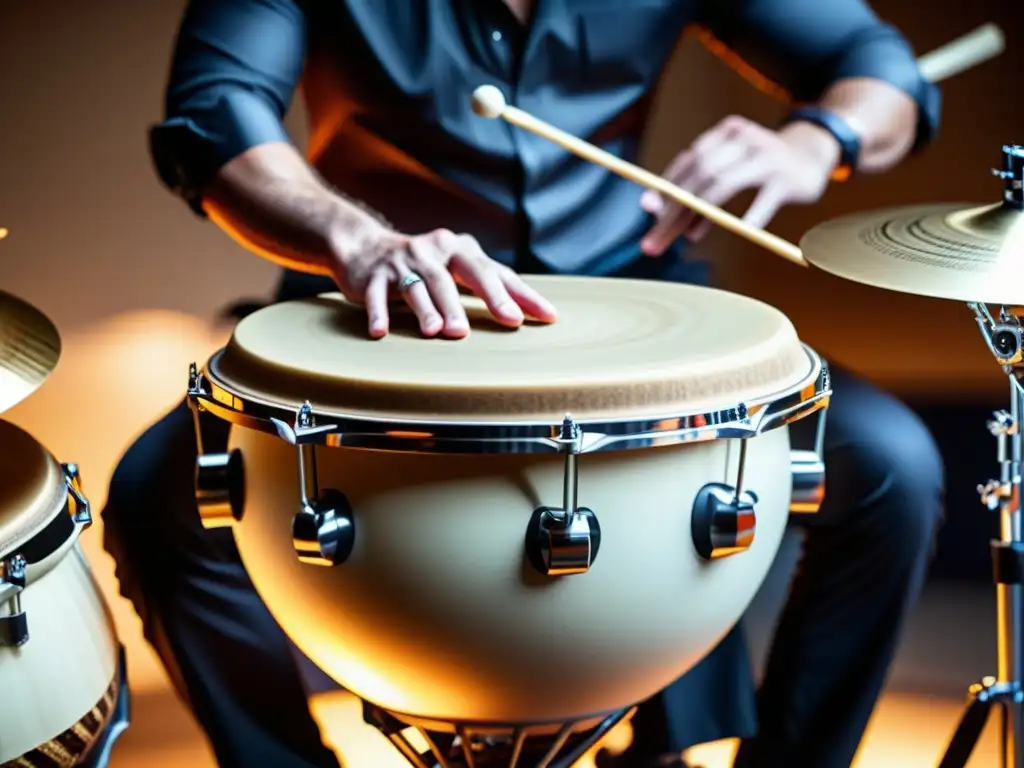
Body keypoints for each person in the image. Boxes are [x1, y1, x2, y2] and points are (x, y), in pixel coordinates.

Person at [103, 1, 945, 766]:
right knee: (156, 495)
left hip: (629, 302)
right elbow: (214, 116)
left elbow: (878, 64)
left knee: (894, 468)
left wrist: (816, 139)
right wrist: (351, 238)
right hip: (387, 308)